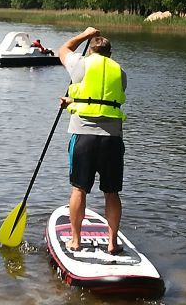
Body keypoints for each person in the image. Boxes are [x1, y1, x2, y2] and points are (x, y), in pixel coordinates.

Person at [58, 27, 127, 255]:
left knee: (79, 189)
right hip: (112, 142)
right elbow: (102, 99)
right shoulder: (120, 72)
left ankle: (76, 241)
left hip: (84, 138)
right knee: (112, 193)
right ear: (109, 54)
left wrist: (85, 34)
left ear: (90, 50)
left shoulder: (81, 64)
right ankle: (112, 244)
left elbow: (64, 49)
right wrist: (73, 100)